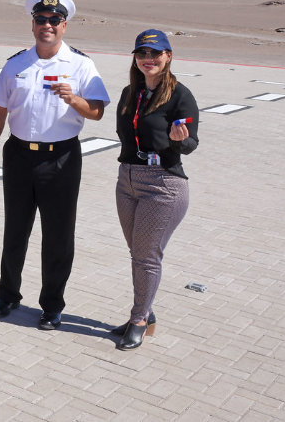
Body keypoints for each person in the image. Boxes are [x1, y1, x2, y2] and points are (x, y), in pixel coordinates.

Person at [0, 0, 110, 330]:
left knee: (58, 235)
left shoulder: (81, 65)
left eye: (54, 20)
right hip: (20, 156)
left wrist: (75, 99)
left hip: (62, 159)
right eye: (41, 20)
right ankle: (7, 295)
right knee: (15, 230)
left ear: (64, 25)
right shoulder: (16, 64)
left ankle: (52, 306)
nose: (47, 26)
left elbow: (96, 111)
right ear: (33, 23)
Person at [111, 29, 199, 350]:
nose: (148, 60)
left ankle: (138, 320)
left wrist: (181, 140)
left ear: (168, 56)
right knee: (138, 254)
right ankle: (147, 312)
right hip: (127, 181)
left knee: (147, 257)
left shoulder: (180, 95)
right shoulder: (128, 93)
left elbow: (191, 142)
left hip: (163, 184)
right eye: (142, 53)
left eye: (155, 53)